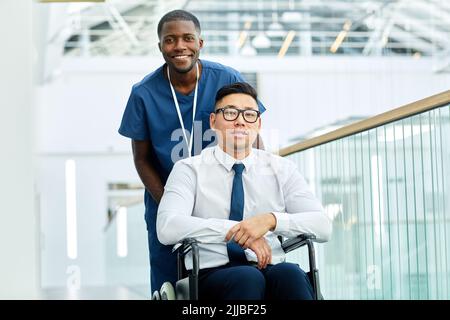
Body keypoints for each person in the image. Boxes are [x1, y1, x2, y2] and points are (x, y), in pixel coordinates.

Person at [118, 10, 266, 294]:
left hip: (225, 197)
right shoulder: (143, 93)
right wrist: (171, 203)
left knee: (236, 274)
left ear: (201, 43)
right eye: (170, 40)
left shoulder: (226, 78)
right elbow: (141, 158)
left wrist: (257, 188)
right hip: (167, 198)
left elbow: (252, 137)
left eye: (188, 38)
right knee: (171, 284)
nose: (179, 46)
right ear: (160, 46)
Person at [157, 82, 332, 300]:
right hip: (212, 274)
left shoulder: (281, 169)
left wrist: (271, 220)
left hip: (271, 266)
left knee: (291, 274)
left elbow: (323, 226)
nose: (240, 121)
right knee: (247, 277)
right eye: (230, 113)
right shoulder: (189, 169)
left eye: (249, 114)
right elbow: (167, 226)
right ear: (213, 121)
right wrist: (240, 232)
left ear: (258, 124)